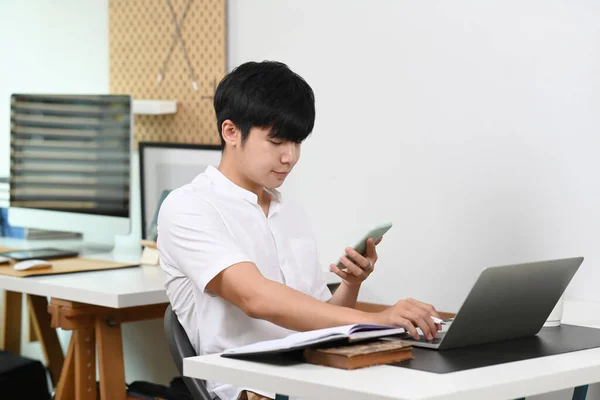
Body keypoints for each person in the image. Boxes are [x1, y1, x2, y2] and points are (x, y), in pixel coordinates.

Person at [158, 61, 441, 400]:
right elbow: (256, 299)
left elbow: (320, 315)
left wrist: (351, 284)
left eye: (296, 143)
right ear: (231, 132)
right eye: (276, 142)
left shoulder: (288, 211)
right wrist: (378, 319)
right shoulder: (188, 206)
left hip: (315, 372)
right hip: (253, 385)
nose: (290, 157)